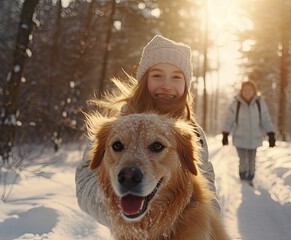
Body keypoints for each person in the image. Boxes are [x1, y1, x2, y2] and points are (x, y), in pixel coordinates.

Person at [75, 35, 219, 226]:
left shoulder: (193, 133)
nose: (166, 85)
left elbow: (207, 183)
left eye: (176, 77)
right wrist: (119, 212)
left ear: (186, 85)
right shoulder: (120, 125)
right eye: (157, 75)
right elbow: (85, 179)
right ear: (144, 79)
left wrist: (205, 221)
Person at [221, 80, 275, 184]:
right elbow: (229, 120)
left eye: (250, 90)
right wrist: (225, 134)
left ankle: (250, 177)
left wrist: (271, 134)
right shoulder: (236, 104)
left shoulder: (259, 103)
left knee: (251, 161)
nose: (247, 92)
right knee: (243, 161)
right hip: (240, 137)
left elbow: (265, 119)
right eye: (245, 90)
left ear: (254, 91)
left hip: (254, 138)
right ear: (241, 91)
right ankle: (243, 177)